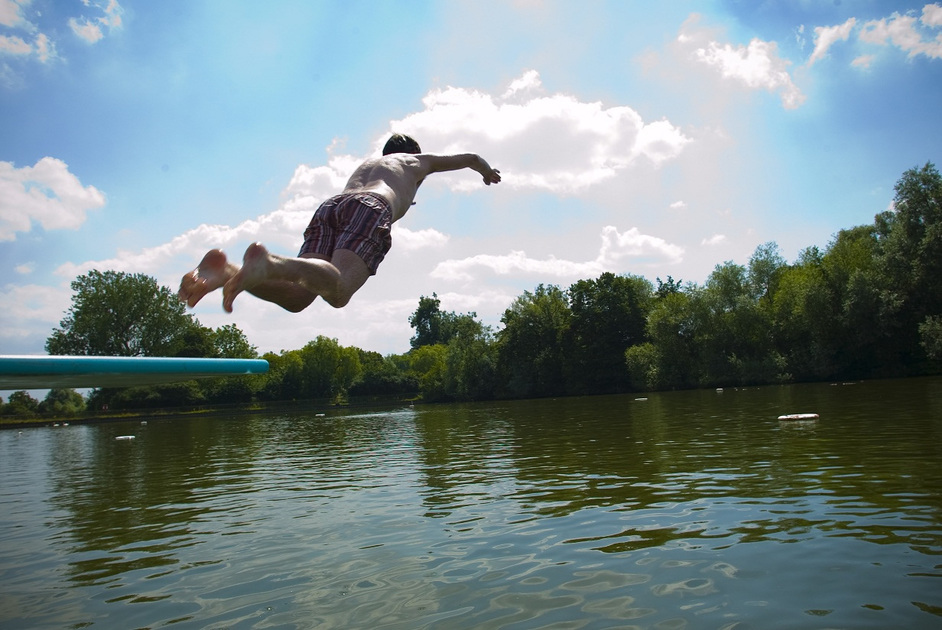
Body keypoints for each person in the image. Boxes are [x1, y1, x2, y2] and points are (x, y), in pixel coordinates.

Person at [178, 134, 501, 313]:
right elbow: (470, 157)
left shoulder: (369, 164)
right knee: (340, 290)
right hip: (372, 207)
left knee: (297, 298)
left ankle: (228, 272)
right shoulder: (415, 161)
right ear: (413, 153)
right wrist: (487, 172)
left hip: (331, 206)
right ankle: (271, 263)